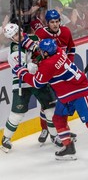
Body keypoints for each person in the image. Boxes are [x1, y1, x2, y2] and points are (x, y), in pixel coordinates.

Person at [12, 38, 88, 162]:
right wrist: (22, 38)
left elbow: (37, 82)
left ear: (46, 53)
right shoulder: (58, 51)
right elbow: (39, 51)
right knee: (58, 118)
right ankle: (68, 146)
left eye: (42, 51)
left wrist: (22, 72)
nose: (39, 52)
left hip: (80, 93)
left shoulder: (48, 64)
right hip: (66, 94)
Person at [1, 23, 62, 152]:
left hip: (39, 79)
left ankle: (55, 136)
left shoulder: (33, 38)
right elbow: (20, 69)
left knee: (50, 109)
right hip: (22, 83)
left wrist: (36, 52)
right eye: (14, 36)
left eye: (18, 32)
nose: (18, 36)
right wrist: (29, 67)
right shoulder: (13, 50)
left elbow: (45, 52)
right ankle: (6, 138)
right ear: (11, 39)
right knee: (17, 114)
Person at [35, 9, 76, 142]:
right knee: (46, 104)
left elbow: (72, 48)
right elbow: (36, 54)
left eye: (57, 21)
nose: (55, 24)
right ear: (47, 23)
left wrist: (68, 65)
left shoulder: (66, 32)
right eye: (52, 22)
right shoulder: (40, 34)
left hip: (62, 74)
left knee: (62, 102)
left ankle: (63, 129)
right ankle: (45, 129)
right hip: (47, 74)